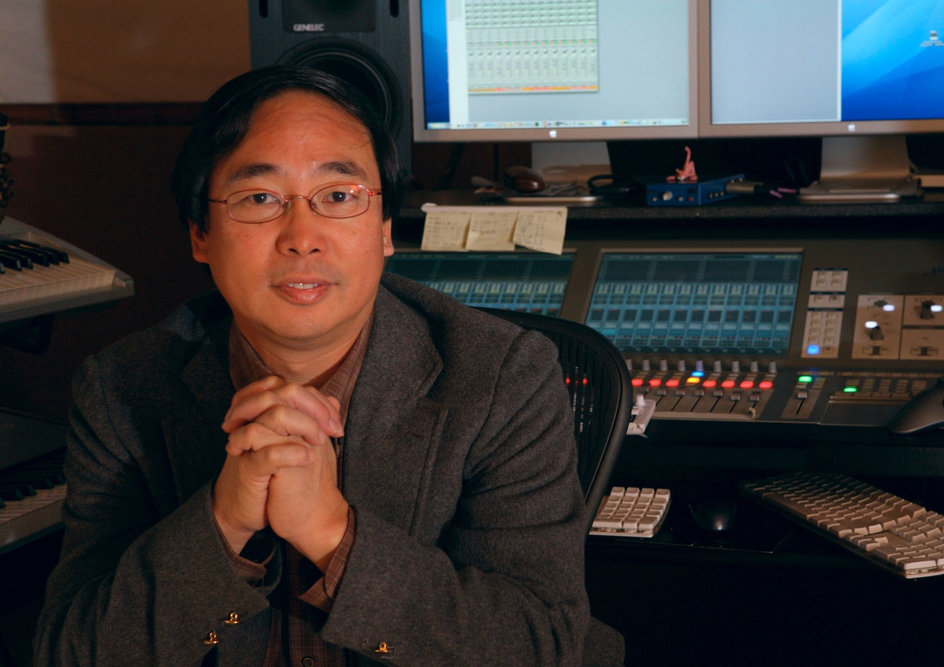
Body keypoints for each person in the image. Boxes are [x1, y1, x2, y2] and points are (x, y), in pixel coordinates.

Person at [34, 66, 612, 665]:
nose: (302, 237)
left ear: (384, 230)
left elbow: (539, 646)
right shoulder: (121, 386)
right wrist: (222, 523)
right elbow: (73, 654)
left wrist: (331, 532)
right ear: (200, 234)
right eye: (260, 198)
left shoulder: (503, 375)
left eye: (338, 196)